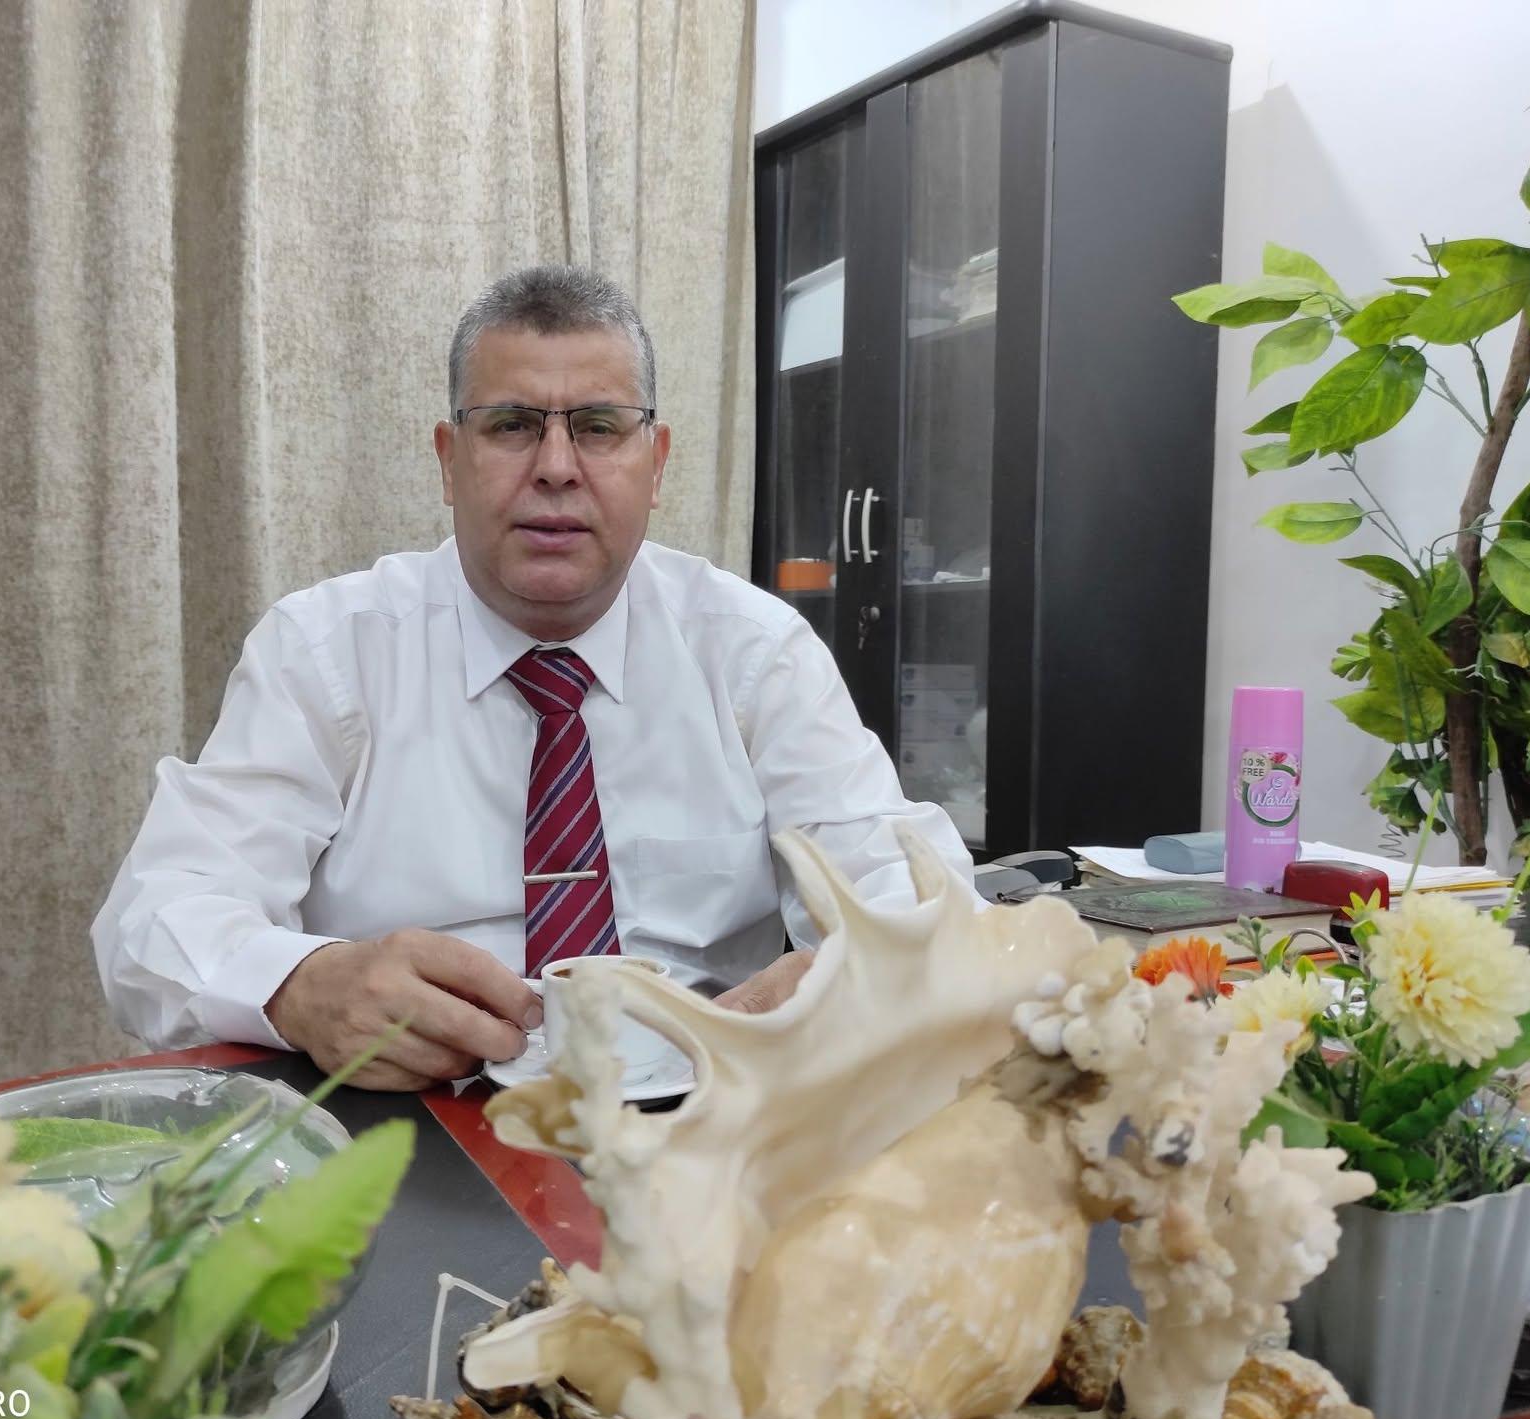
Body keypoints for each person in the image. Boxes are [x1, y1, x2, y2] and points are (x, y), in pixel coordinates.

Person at [92, 266, 977, 1089]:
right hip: (410, 1113)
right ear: (449, 460)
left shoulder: (753, 652)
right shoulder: (326, 651)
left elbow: (913, 884)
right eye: (512, 425)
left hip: (705, 1112)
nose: (556, 467)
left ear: (657, 463)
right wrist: (302, 985)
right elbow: (156, 916)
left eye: (599, 427)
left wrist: (851, 973)